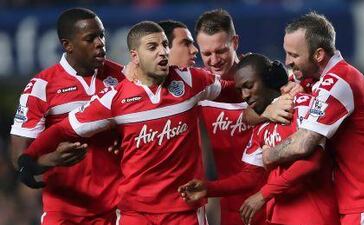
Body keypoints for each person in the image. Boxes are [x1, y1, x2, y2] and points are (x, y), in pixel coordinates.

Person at [17, 21, 240, 225]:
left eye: (164, 45)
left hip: (183, 211)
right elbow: (64, 129)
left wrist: (267, 86)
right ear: (135, 56)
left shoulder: (191, 80)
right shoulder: (115, 98)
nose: (162, 51)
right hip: (135, 213)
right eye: (152, 47)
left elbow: (235, 90)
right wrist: (29, 157)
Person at [262, 12, 364, 224]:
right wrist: (268, 111)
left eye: (294, 55)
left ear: (318, 55)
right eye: (286, 53)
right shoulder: (317, 81)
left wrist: (269, 155)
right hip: (358, 201)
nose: (288, 62)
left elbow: (303, 144)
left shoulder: (338, 82)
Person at [178, 54, 340, 225]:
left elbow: (312, 162)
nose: (245, 95)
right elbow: (251, 176)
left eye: (249, 86)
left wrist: (264, 194)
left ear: (268, 80)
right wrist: (209, 189)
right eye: (240, 90)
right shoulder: (260, 127)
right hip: (279, 217)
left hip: (314, 217)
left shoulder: (302, 104)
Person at [10, 8, 125, 225]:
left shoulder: (123, 78)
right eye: (90, 38)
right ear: (67, 45)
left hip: (118, 212)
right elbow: (19, 155)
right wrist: (51, 160)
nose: (100, 43)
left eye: (101, 35)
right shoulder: (41, 87)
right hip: (65, 214)